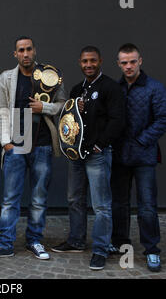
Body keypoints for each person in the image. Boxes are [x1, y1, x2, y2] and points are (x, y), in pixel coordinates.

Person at [0, 36, 66, 260]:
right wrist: (6, 143)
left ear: (34, 51)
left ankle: (34, 241)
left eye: (28, 49)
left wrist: (43, 107)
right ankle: (5, 243)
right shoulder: (8, 77)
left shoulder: (51, 75)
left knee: (38, 199)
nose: (25, 53)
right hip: (15, 147)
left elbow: (62, 105)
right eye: (21, 50)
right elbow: (2, 112)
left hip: (42, 146)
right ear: (15, 54)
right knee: (10, 200)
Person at [51, 46, 125, 270]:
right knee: (75, 199)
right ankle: (76, 240)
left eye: (92, 61)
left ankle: (101, 249)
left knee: (101, 205)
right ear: (80, 63)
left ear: (100, 61)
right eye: (85, 61)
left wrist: (100, 145)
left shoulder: (110, 87)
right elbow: (70, 122)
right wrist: (77, 109)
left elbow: (118, 120)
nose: (88, 65)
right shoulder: (76, 89)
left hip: (97, 156)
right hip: (76, 156)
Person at [110, 43, 166, 272]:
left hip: (144, 157)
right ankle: (119, 242)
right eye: (124, 62)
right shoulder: (115, 88)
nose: (128, 66)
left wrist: (141, 140)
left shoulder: (155, 88)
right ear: (118, 64)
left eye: (132, 62)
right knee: (119, 204)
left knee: (147, 206)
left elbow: (164, 119)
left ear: (140, 61)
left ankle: (152, 250)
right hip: (119, 157)